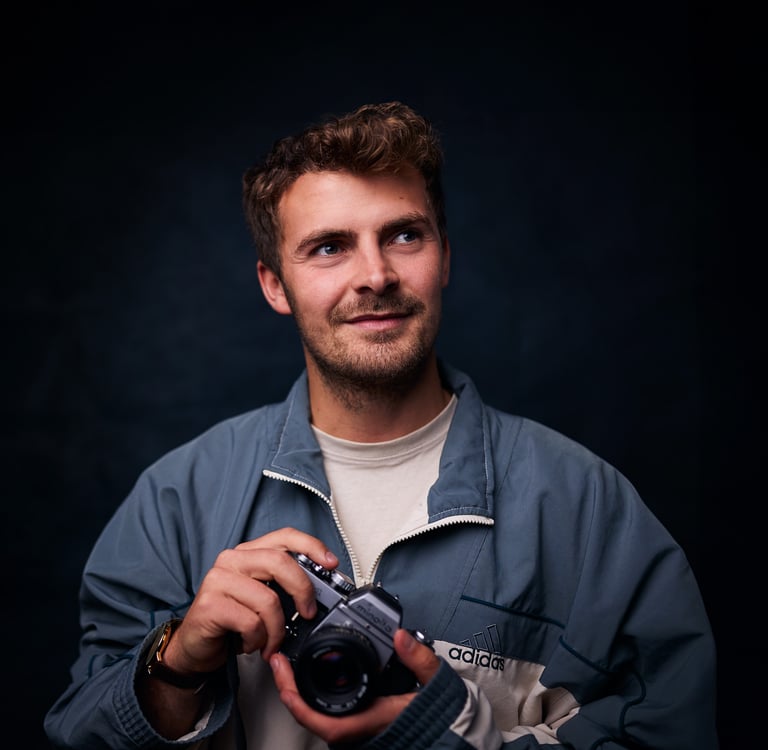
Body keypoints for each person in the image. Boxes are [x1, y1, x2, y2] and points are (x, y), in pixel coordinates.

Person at [44, 101, 718, 749]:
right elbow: (82, 730)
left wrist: (447, 734)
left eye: (403, 235)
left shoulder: (588, 510)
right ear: (274, 284)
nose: (375, 275)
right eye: (330, 247)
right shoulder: (177, 501)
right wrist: (178, 662)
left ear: (444, 256)